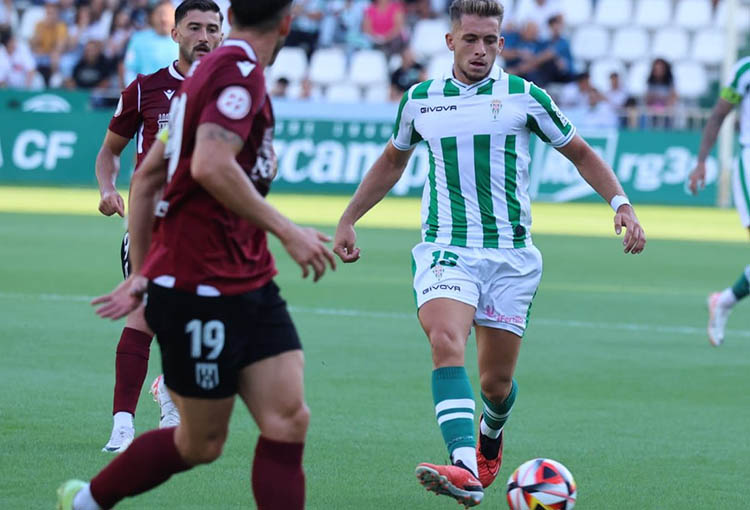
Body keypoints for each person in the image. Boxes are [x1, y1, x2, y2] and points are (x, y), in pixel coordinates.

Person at [333, 0, 646, 507]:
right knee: (444, 338)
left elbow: (581, 152)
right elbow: (393, 160)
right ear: (451, 41)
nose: (482, 50)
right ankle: (463, 467)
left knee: (495, 385)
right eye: (472, 39)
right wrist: (349, 217)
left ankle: (491, 432)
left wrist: (622, 204)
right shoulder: (421, 100)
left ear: (501, 43)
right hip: (446, 248)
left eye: (491, 41)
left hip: (510, 258)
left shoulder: (525, 96)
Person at [57, 1, 336, 509]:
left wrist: (141, 273)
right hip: (199, 288)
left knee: (289, 419)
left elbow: (145, 179)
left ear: (232, 20)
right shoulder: (237, 74)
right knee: (199, 443)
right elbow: (209, 163)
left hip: (249, 280)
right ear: (288, 24)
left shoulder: (203, 75)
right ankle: (87, 503)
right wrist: (288, 230)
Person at [94, 0, 223, 454]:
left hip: (211, 230)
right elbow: (109, 152)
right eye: (194, 27)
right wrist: (108, 187)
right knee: (144, 313)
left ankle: (169, 386)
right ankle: (123, 425)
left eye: (212, 28)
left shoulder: (235, 93)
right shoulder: (146, 89)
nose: (203, 36)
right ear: (176, 34)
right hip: (154, 224)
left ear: (222, 34)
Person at [688, 55, 750, 347]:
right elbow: (718, 115)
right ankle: (724, 301)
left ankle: (724, 300)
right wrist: (701, 161)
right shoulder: (744, 70)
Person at [123, 1, 177, 86]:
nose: (164, 18)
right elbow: (129, 70)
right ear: (152, 17)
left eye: (168, 14)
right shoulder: (138, 39)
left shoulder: (184, 40)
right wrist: (137, 91)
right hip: (146, 94)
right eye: (160, 14)